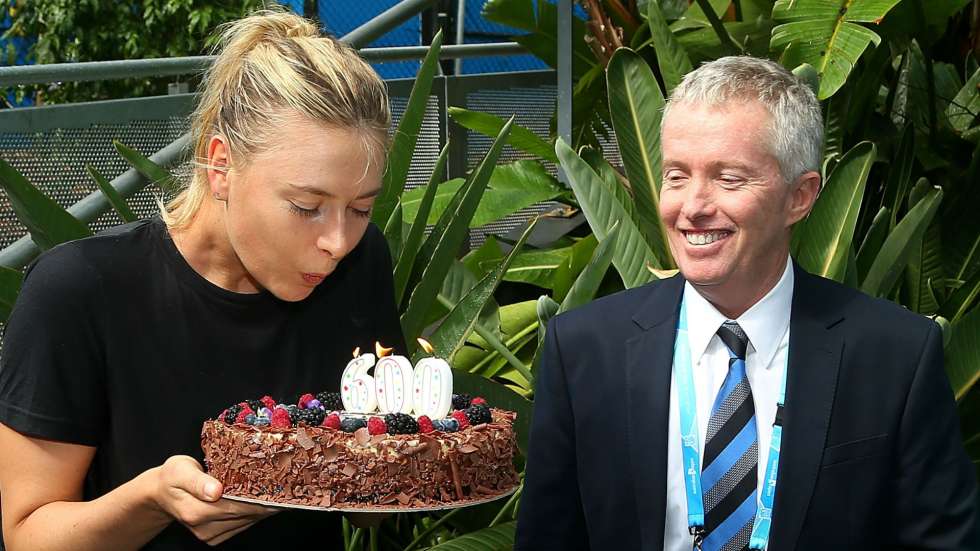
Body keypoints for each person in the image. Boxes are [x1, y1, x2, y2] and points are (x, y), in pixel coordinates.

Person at [515, 56, 978, 550]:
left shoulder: (894, 356)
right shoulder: (584, 350)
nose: (692, 206)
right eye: (676, 176)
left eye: (729, 178)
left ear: (800, 196)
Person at [0, 9, 405, 550]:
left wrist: (389, 466)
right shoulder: (82, 290)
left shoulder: (360, 264)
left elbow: (371, 513)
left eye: (360, 209)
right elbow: (28, 536)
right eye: (307, 206)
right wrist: (150, 500)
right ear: (220, 166)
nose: (337, 241)